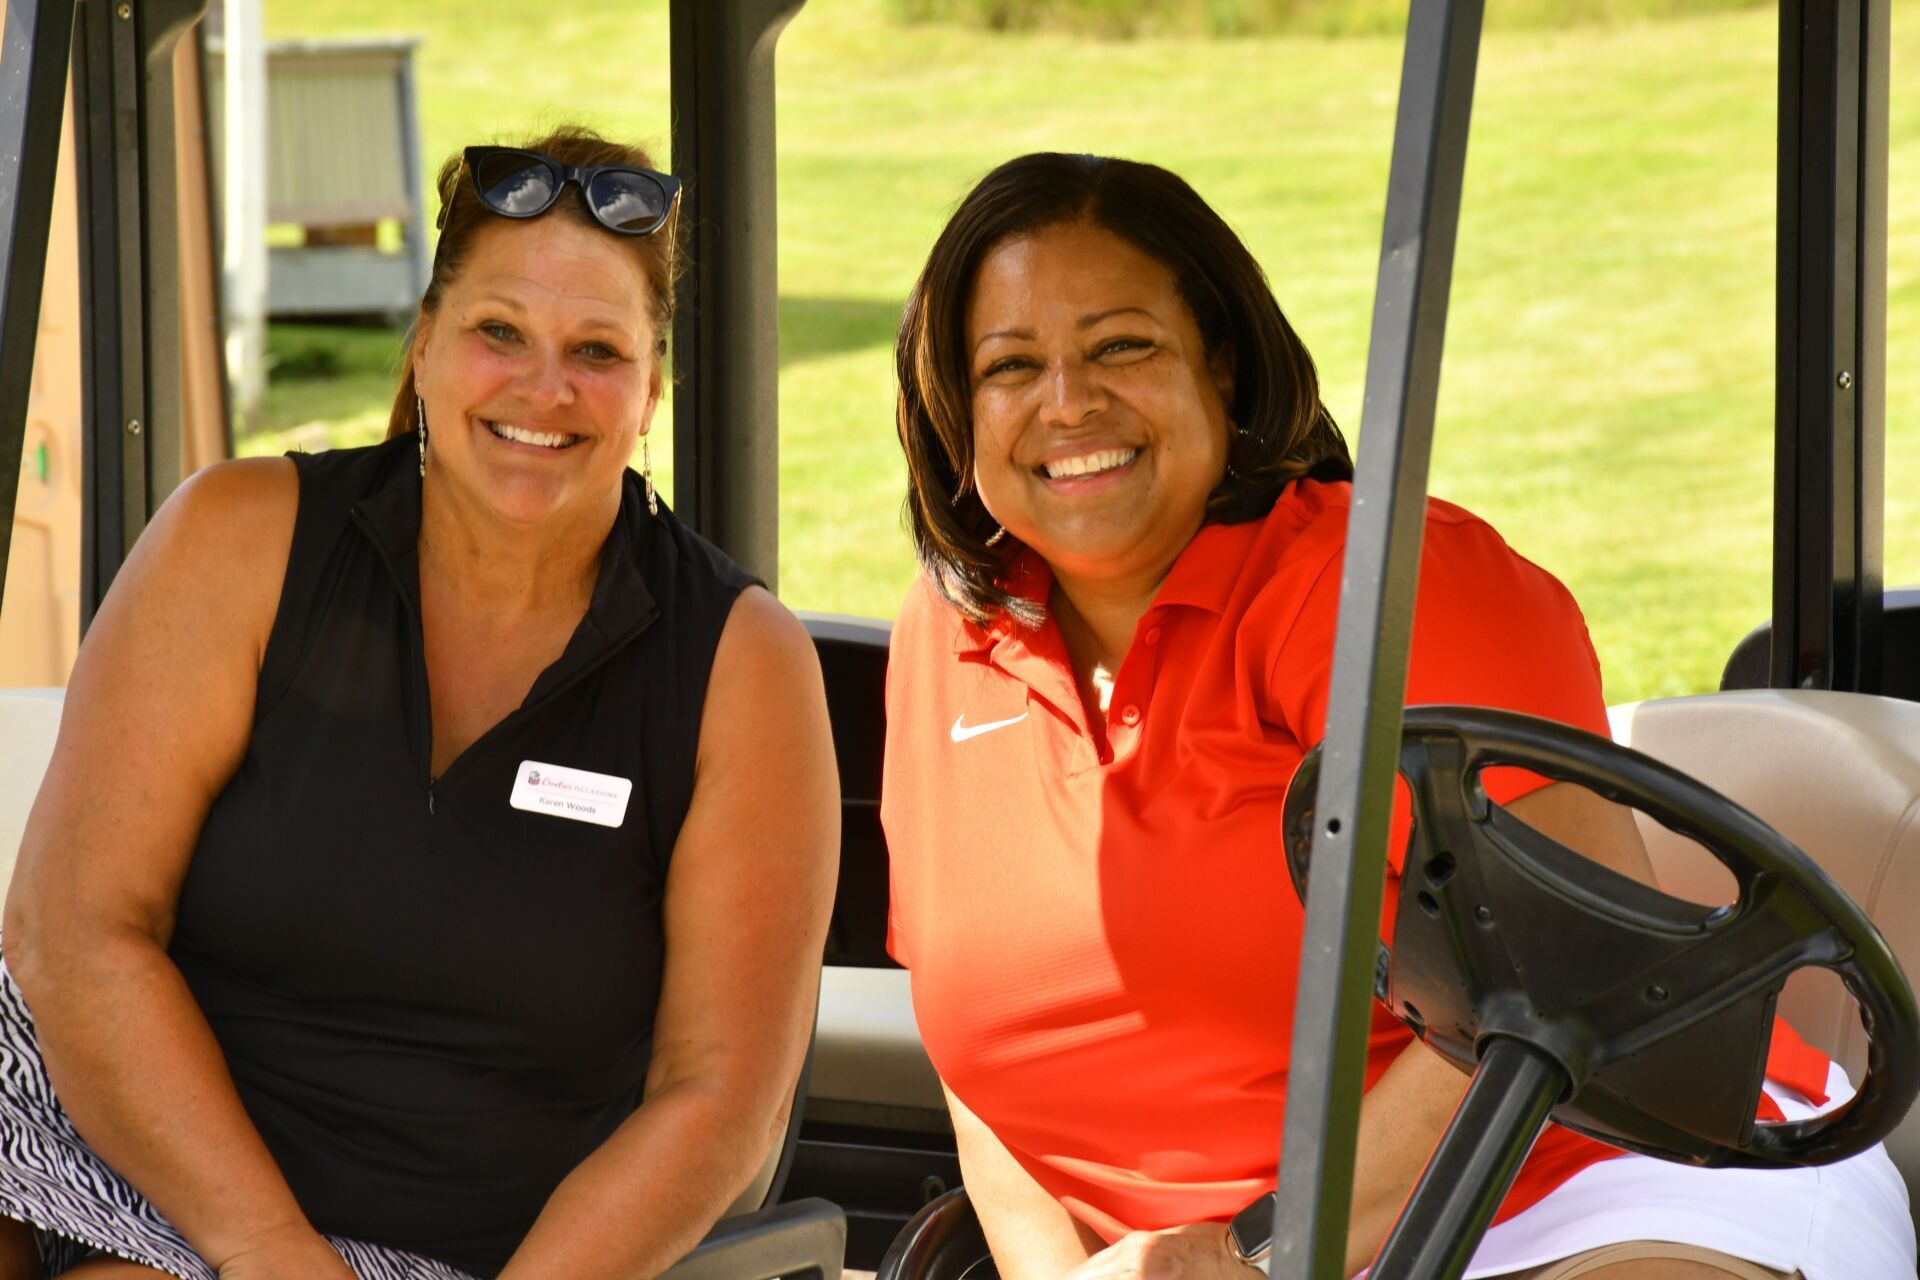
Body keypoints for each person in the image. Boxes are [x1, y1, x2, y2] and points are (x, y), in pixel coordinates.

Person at [880, 152, 1913, 1280]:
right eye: (1010, 365)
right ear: (953, 412)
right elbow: (974, 1054)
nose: (1068, 400)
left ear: (1222, 365)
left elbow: (1567, 978)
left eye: (1122, 344)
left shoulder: (1378, 583)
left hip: (1590, 1174)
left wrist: (1254, 1254)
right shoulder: (947, 641)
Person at [0, 126, 839, 1280]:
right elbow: (75, 928)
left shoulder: (742, 665)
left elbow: (717, 1098)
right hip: (125, 1145)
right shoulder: (237, 539)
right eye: (499, 331)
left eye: (597, 349)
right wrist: (262, 1248)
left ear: (651, 390)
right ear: (426, 346)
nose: (545, 387)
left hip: (454, 1249)